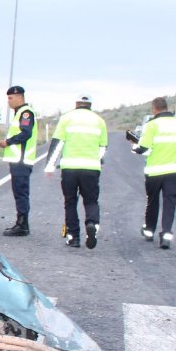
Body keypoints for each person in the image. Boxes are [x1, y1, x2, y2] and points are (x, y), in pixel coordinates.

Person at [44, 95, 108, 248]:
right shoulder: (99, 121)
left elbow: (58, 143)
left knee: (70, 202)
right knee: (91, 201)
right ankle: (92, 224)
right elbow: (103, 147)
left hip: (70, 168)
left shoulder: (67, 118)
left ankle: (74, 237)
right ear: (90, 105)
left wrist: (50, 165)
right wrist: (96, 160)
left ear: (77, 104)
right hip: (91, 168)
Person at [126, 96, 176, 250]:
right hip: (174, 170)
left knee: (152, 202)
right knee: (170, 204)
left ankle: (149, 231)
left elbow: (144, 147)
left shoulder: (151, 125)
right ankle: (166, 235)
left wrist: (134, 146)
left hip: (155, 172)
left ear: (154, 109)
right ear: (166, 107)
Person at [0, 85, 38, 236]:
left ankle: (22, 225)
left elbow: (25, 133)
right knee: (19, 192)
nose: (8, 101)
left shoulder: (26, 113)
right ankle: (21, 222)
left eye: (11, 98)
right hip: (18, 160)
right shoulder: (19, 113)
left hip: (21, 160)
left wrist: (7, 142)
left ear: (20, 97)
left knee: (21, 192)